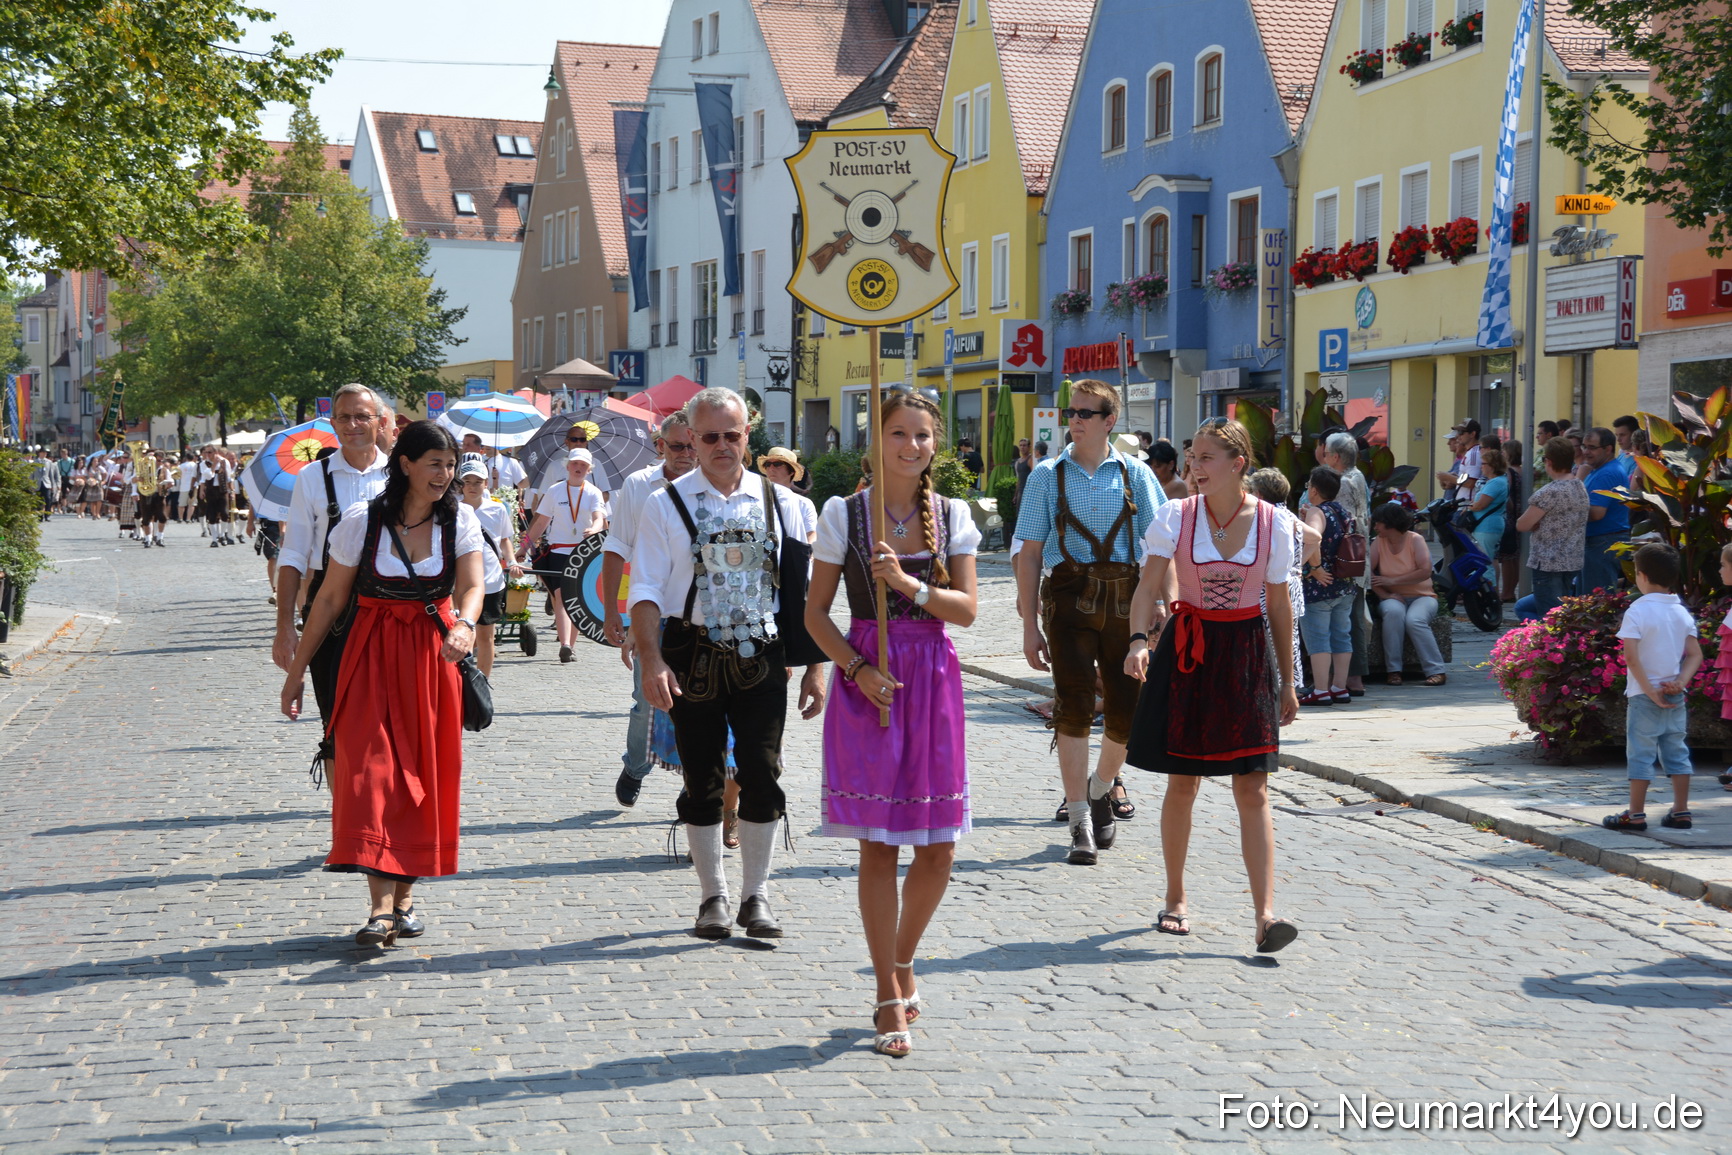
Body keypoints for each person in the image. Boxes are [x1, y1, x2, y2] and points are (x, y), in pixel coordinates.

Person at [805, 390, 980, 1058]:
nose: (912, 446)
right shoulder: (842, 514)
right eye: (899, 434)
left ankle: (903, 958)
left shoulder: (951, 514)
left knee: (938, 847)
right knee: (879, 843)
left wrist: (908, 586)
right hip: (871, 679)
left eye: (923, 435)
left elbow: (964, 611)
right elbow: (815, 614)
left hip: (932, 678)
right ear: (876, 440)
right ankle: (885, 990)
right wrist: (855, 670)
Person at [629, 387, 826, 941]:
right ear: (690, 438)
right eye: (709, 436)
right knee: (702, 778)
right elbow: (643, 588)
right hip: (689, 652)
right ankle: (712, 894)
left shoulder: (785, 504)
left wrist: (815, 668)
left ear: (748, 437)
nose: (721, 446)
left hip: (761, 653)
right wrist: (650, 660)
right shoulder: (664, 503)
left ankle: (756, 896)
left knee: (763, 772)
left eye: (732, 435)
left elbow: (805, 595)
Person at [280, 419, 485, 947]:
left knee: (421, 780)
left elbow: (473, 586)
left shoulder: (459, 522)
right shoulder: (359, 521)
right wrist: (298, 671)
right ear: (406, 465)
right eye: (435, 464)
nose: (445, 475)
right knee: (368, 775)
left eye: (450, 465)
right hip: (368, 656)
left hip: (429, 661)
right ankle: (380, 908)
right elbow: (326, 601)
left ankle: (405, 897)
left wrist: (464, 624)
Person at [1122, 419, 1300, 953]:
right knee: (1183, 781)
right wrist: (1136, 641)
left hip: (1245, 653)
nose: (1193, 467)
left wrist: (1288, 680)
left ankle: (1265, 916)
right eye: (1192, 456)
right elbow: (1148, 585)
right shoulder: (1175, 515)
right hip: (1188, 650)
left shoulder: (1274, 523)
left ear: (1237, 464)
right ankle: (1175, 897)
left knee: (1254, 785)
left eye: (1205, 458)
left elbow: (1278, 604)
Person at [1012, 378, 1165, 864]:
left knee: (1127, 712)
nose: (1074, 419)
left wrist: (1166, 600)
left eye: (1086, 412)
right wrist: (1027, 623)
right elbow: (1030, 551)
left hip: (1127, 600)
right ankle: (1079, 819)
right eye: (1071, 412)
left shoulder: (1135, 474)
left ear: (1109, 421)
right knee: (1073, 707)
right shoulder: (1045, 475)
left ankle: (1101, 789)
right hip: (1068, 599)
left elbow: (1162, 547)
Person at [273, 384, 393, 739]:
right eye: (344, 417)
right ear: (332, 423)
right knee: (336, 723)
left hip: (387, 610)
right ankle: (342, 795)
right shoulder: (312, 477)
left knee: (386, 720)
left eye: (362, 416)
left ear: (381, 421)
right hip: (329, 612)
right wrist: (284, 627)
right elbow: (293, 553)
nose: (352, 424)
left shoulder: (399, 476)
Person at [602, 413, 700, 807]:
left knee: (701, 703)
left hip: (701, 616)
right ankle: (635, 766)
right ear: (661, 446)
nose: (688, 455)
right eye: (678, 446)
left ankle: (695, 785)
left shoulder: (716, 486)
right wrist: (612, 611)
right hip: (652, 613)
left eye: (694, 445)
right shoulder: (639, 486)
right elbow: (615, 548)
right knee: (647, 701)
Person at [1601, 544, 1701, 834]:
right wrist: (1681, 682)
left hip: (1646, 696)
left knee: (1641, 754)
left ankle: (1635, 815)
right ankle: (1681, 811)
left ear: (1640, 576)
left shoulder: (1638, 610)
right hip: (1675, 693)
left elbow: (1630, 656)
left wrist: (1649, 691)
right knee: (1677, 752)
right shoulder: (1680, 611)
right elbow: (1695, 654)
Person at [521, 447, 606, 663]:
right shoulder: (555, 490)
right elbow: (540, 522)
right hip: (558, 550)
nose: (578, 468)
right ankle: (565, 644)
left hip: (583, 553)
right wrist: (522, 549)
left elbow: (599, 518)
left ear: (589, 470)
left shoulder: (593, 492)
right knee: (561, 596)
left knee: (576, 599)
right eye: (575, 464)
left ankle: (571, 645)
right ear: (568, 466)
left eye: (583, 465)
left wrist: (595, 529)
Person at [1369, 503, 1447, 686]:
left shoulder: (1416, 539)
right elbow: (1368, 573)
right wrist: (1384, 594)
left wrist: (1392, 581)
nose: (1375, 527)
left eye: (1378, 523)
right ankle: (1394, 671)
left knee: (1415, 620)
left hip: (1423, 596)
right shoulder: (1378, 542)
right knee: (1393, 613)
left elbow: (1425, 571)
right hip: (1393, 597)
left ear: (1389, 523)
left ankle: (1436, 670)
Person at [1512, 438, 1588, 622]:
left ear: (1549, 461)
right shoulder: (1579, 486)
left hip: (1548, 562)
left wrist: (1536, 522)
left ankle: (1549, 648)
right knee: (1563, 613)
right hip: (1572, 559)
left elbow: (1522, 524)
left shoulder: (1549, 491)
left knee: (1551, 618)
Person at [1297, 467, 1356, 705]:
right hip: (1344, 584)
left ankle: (1320, 690)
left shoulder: (1316, 511)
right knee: (1342, 636)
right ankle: (1339, 687)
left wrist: (1315, 567)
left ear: (1313, 489)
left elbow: (1314, 538)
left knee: (1318, 638)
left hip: (1320, 586)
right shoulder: (1341, 510)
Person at [458, 459, 520, 678]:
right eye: (468, 481)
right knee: (462, 633)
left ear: (486, 483)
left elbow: (504, 540)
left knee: (486, 637)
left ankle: (482, 681)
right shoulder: (453, 509)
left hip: (491, 580)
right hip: (462, 582)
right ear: (461, 484)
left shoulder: (497, 509)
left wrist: (511, 561)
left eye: (478, 481)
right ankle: (461, 680)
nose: (473, 486)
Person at [1322, 432, 1371, 696]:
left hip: (1344, 559)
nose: (1324, 456)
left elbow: (1332, 519)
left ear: (1336, 457)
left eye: (1327, 453)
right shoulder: (1359, 476)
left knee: (1345, 618)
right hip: (1358, 557)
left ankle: (1347, 678)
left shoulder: (1341, 482)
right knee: (1354, 616)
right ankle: (1351, 678)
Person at [1580, 427, 1630, 593]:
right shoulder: (1599, 470)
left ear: (1608, 449)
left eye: (1592, 447)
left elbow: (1596, 513)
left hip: (1603, 542)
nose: (1586, 452)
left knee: (1597, 601)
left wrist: (1569, 513)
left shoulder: (1607, 473)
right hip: (1601, 541)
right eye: (1584, 446)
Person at [1465, 448, 1509, 562]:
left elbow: (1480, 505)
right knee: (1483, 561)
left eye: (1483, 464)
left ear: (1492, 465)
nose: (1481, 467)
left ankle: (1489, 581)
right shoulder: (1496, 481)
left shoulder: (1496, 482)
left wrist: (1468, 507)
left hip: (1487, 527)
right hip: (1486, 526)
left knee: (1484, 563)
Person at [1496, 440, 1524, 601]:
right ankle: (1511, 590)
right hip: (1520, 514)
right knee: (1515, 556)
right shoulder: (1522, 470)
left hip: (1510, 517)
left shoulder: (1509, 472)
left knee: (1507, 557)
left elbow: (1507, 496)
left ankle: (1507, 592)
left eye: (1504, 451)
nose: (1502, 454)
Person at [1612, 415, 1640, 481]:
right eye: (1617, 435)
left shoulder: (1638, 461)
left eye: (1622, 435)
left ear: (1634, 434)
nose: (1618, 439)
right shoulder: (1621, 456)